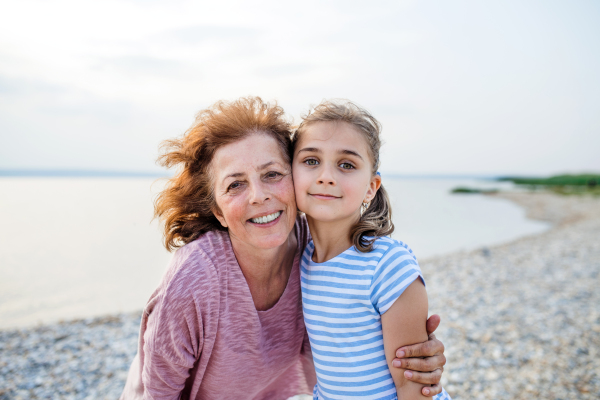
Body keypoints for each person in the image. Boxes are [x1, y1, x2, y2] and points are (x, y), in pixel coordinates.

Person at [120, 97, 447, 399]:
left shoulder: (316, 250)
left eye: (272, 174)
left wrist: (418, 352)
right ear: (217, 211)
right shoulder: (193, 280)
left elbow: (389, 359)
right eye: (235, 184)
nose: (259, 196)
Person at [292, 100, 451, 399]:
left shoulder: (387, 266)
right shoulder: (301, 259)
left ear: (371, 187)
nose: (326, 176)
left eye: (347, 165)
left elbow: (413, 384)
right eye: (311, 161)